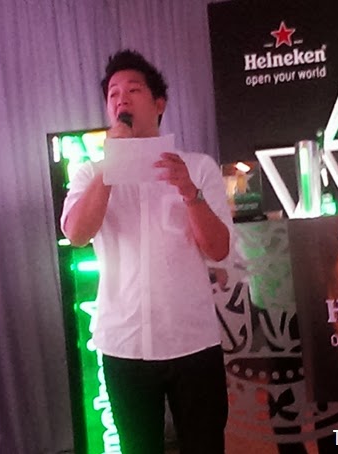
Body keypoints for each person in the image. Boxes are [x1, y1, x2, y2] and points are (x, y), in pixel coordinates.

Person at [61, 49, 232, 454]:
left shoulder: (198, 167)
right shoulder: (89, 173)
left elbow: (219, 250)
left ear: (159, 104)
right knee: (138, 447)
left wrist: (189, 192)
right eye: (113, 94)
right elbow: (77, 234)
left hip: (193, 341)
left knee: (206, 445)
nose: (121, 99)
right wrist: (109, 167)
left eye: (133, 90)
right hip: (124, 344)